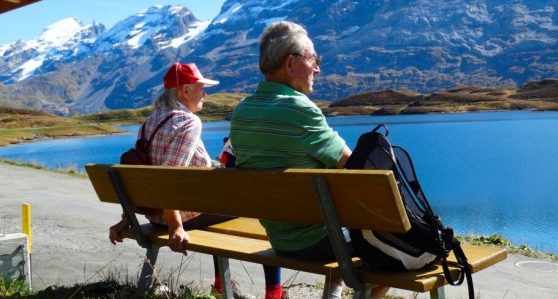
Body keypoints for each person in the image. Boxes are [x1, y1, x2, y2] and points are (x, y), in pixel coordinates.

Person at [229, 21, 388, 299]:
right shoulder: (300, 109)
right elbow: (357, 170)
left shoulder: (242, 111)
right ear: (290, 64)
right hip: (318, 240)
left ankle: (333, 294)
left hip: (279, 238)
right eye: (313, 59)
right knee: (401, 239)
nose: (317, 68)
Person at [107, 62, 258, 298]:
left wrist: (127, 218)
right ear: (185, 91)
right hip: (178, 216)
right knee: (251, 200)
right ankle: (234, 286)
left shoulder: (150, 121)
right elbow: (170, 177)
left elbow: (142, 172)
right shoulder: (188, 122)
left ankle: (222, 284)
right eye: (201, 88)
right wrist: (175, 226)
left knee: (219, 199)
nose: (205, 94)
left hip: (153, 214)